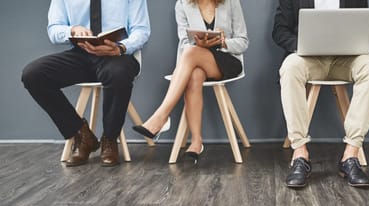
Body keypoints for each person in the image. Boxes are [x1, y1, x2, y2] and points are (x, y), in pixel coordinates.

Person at [21, 0, 151, 167]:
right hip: (81, 54)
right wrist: (72, 30)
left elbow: (141, 30)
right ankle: (82, 135)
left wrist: (121, 48)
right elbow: (54, 29)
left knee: (117, 72)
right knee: (33, 75)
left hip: (118, 54)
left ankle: (110, 138)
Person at [273, 0, 369, 188]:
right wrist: (302, 47)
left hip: (345, 59)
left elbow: (363, 28)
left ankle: (350, 156)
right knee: (290, 67)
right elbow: (279, 31)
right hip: (308, 58)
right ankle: (300, 155)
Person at [132, 0, 248, 162]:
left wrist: (222, 42)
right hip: (196, 60)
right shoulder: (182, 4)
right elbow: (184, 42)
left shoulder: (231, 2)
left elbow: (243, 41)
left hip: (227, 61)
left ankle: (161, 116)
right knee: (194, 74)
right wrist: (199, 44)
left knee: (190, 53)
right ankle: (196, 142)